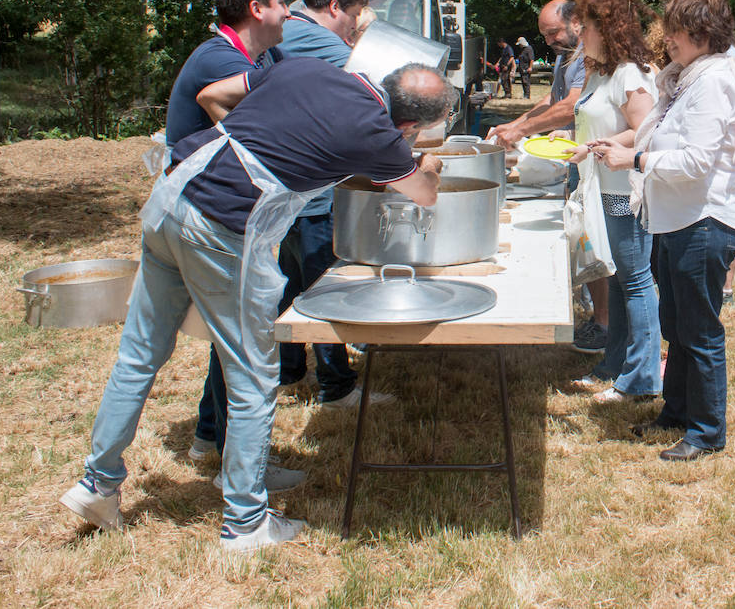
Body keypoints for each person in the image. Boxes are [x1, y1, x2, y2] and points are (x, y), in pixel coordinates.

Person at [59, 59, 452, 551]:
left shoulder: (313, 69)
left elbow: (216, 95)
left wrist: (253, 147)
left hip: (173, 195)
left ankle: (98, 484)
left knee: (139, 354)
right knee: (253, 375)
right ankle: (245, 521)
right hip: (222, 226)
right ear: (411, 125)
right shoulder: (380, 134)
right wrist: (428, 166)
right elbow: (424, 196)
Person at [592, 0, 735, 460]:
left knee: (699, 332)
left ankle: (706, 432)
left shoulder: (714, 79)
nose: (667, 40)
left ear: (702, 32)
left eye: (676, 31)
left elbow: (698, 160)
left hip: (703, 220)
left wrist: (635, 162)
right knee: (677, 326)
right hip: (679, 219)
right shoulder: (692, 74)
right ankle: (677, 413)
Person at [163, 0, 293, 471]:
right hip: (207, 218)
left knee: (227, 337)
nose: (289, 12)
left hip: (224, 214)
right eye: (282, 2)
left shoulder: (263, 56)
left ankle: (208, 436)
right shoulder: (219, 60)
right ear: (257, 9)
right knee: (243, 342)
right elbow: (273, 127)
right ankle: (234, 466)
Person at [272, 0, 392, 412]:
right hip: (311, 192)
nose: (353, 26)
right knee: (325, 287)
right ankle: (336, 386)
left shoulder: (285, 33)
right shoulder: (316, 38)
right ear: (336, 8)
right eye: (353, 16)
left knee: (289, 282)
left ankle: (288, 371)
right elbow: (382, 80)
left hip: (284, 191)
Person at [558, 0, 661, 405]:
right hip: (599, 187)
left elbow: (647, 131)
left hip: (626, 190)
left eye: (587, 26)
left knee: (635, 282)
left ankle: (641, 378)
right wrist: (578, 145)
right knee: (617, 281)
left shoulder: (630, 74)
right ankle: (614, 365)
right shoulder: (600, 72)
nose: (580, 34)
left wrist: (596, 148)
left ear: (610, 28)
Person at [488, 1, 604, 352]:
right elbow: (552, 101)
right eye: (544, 35)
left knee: (595, 240)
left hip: (593, 158)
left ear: (575, 23)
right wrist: (517, 124)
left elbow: (571, 106)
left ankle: (606, 325)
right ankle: (597, 311)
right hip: (573, 156)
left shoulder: (588, 55)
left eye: (553, 32)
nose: (549, 40)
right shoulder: (563, 54)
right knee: (582, 236)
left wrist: (522, 130)